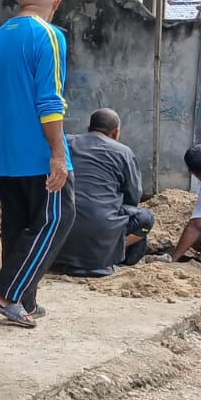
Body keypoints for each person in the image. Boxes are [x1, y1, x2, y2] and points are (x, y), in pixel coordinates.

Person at [0, 0, 75, 329]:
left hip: (5, 154)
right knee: (56, 218)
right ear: (56, 1)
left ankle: (26, 299)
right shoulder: (48, 35)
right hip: (38, 152)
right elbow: (50, 101)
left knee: (18, 226)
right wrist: (58, 154)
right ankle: (7, 292)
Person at [54, 109, 153, 278]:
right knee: (145, 219)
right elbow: (133, 196)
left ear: (88, 128)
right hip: (102, 227)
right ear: (115, 132)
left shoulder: (66, 143)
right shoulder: (123, 152)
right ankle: (109, 255)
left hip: (60, 224)